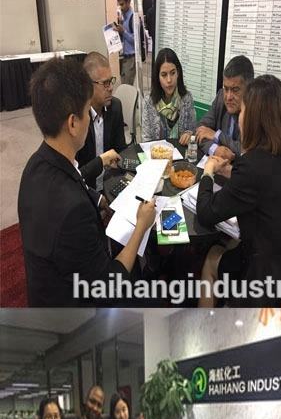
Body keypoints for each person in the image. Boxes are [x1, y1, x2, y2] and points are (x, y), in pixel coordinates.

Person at [18, 58, 156, 306]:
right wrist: (141, 226)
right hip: (76, 316)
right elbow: (109, 287)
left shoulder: (34, 166)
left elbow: (75, 177)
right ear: (73, 123)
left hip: (49, 292)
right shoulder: (73, 210)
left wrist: (98, 188)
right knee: (155, 301)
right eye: (86, 112)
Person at [196, 74, 281, 307]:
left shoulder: (251, 166)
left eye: (243, 111)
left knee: (211, 259)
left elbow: (206, 212)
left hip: (263, 279)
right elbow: (264, 183)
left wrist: (208, 172)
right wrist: (232, 171)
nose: (239, 116)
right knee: (229, 244)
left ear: (253, 119)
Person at [76, 52, 127, 191]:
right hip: (85, 190)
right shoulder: (77, 117)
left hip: (111, 184)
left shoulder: (115, 107)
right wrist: (101, 161)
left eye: (111, 81)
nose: (110, 88)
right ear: (88, 85)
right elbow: (74, 175)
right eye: (105, 83)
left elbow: (121, 151)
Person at [195, 55, 254, 161]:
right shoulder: (220, 98)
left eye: (235, 90)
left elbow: (246, 151)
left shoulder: (255, 110)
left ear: (249, 90)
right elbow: (201, 130)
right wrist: (215, 149)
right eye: (226, 89)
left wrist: (217, 135)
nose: (228, 97)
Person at [141, 48, 196, 145]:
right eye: (164, 75)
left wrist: (189, 135)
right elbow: (146, 141)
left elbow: (193, 133)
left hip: (181, 153)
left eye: (173, 73)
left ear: (178, 73)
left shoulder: (186, 99)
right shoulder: (148, 102)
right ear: (157, 77)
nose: (169, 80)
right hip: (156, 153)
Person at [115, 0, 136, 85]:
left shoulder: (133, 18)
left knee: (127, 86)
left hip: (131, 58)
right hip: (124, 57)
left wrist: (124, 32)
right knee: (123, 84)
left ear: (128, 2)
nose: (121, 7)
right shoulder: (124, 17)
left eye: (122, 4)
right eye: (119, 5)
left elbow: (136, 41)